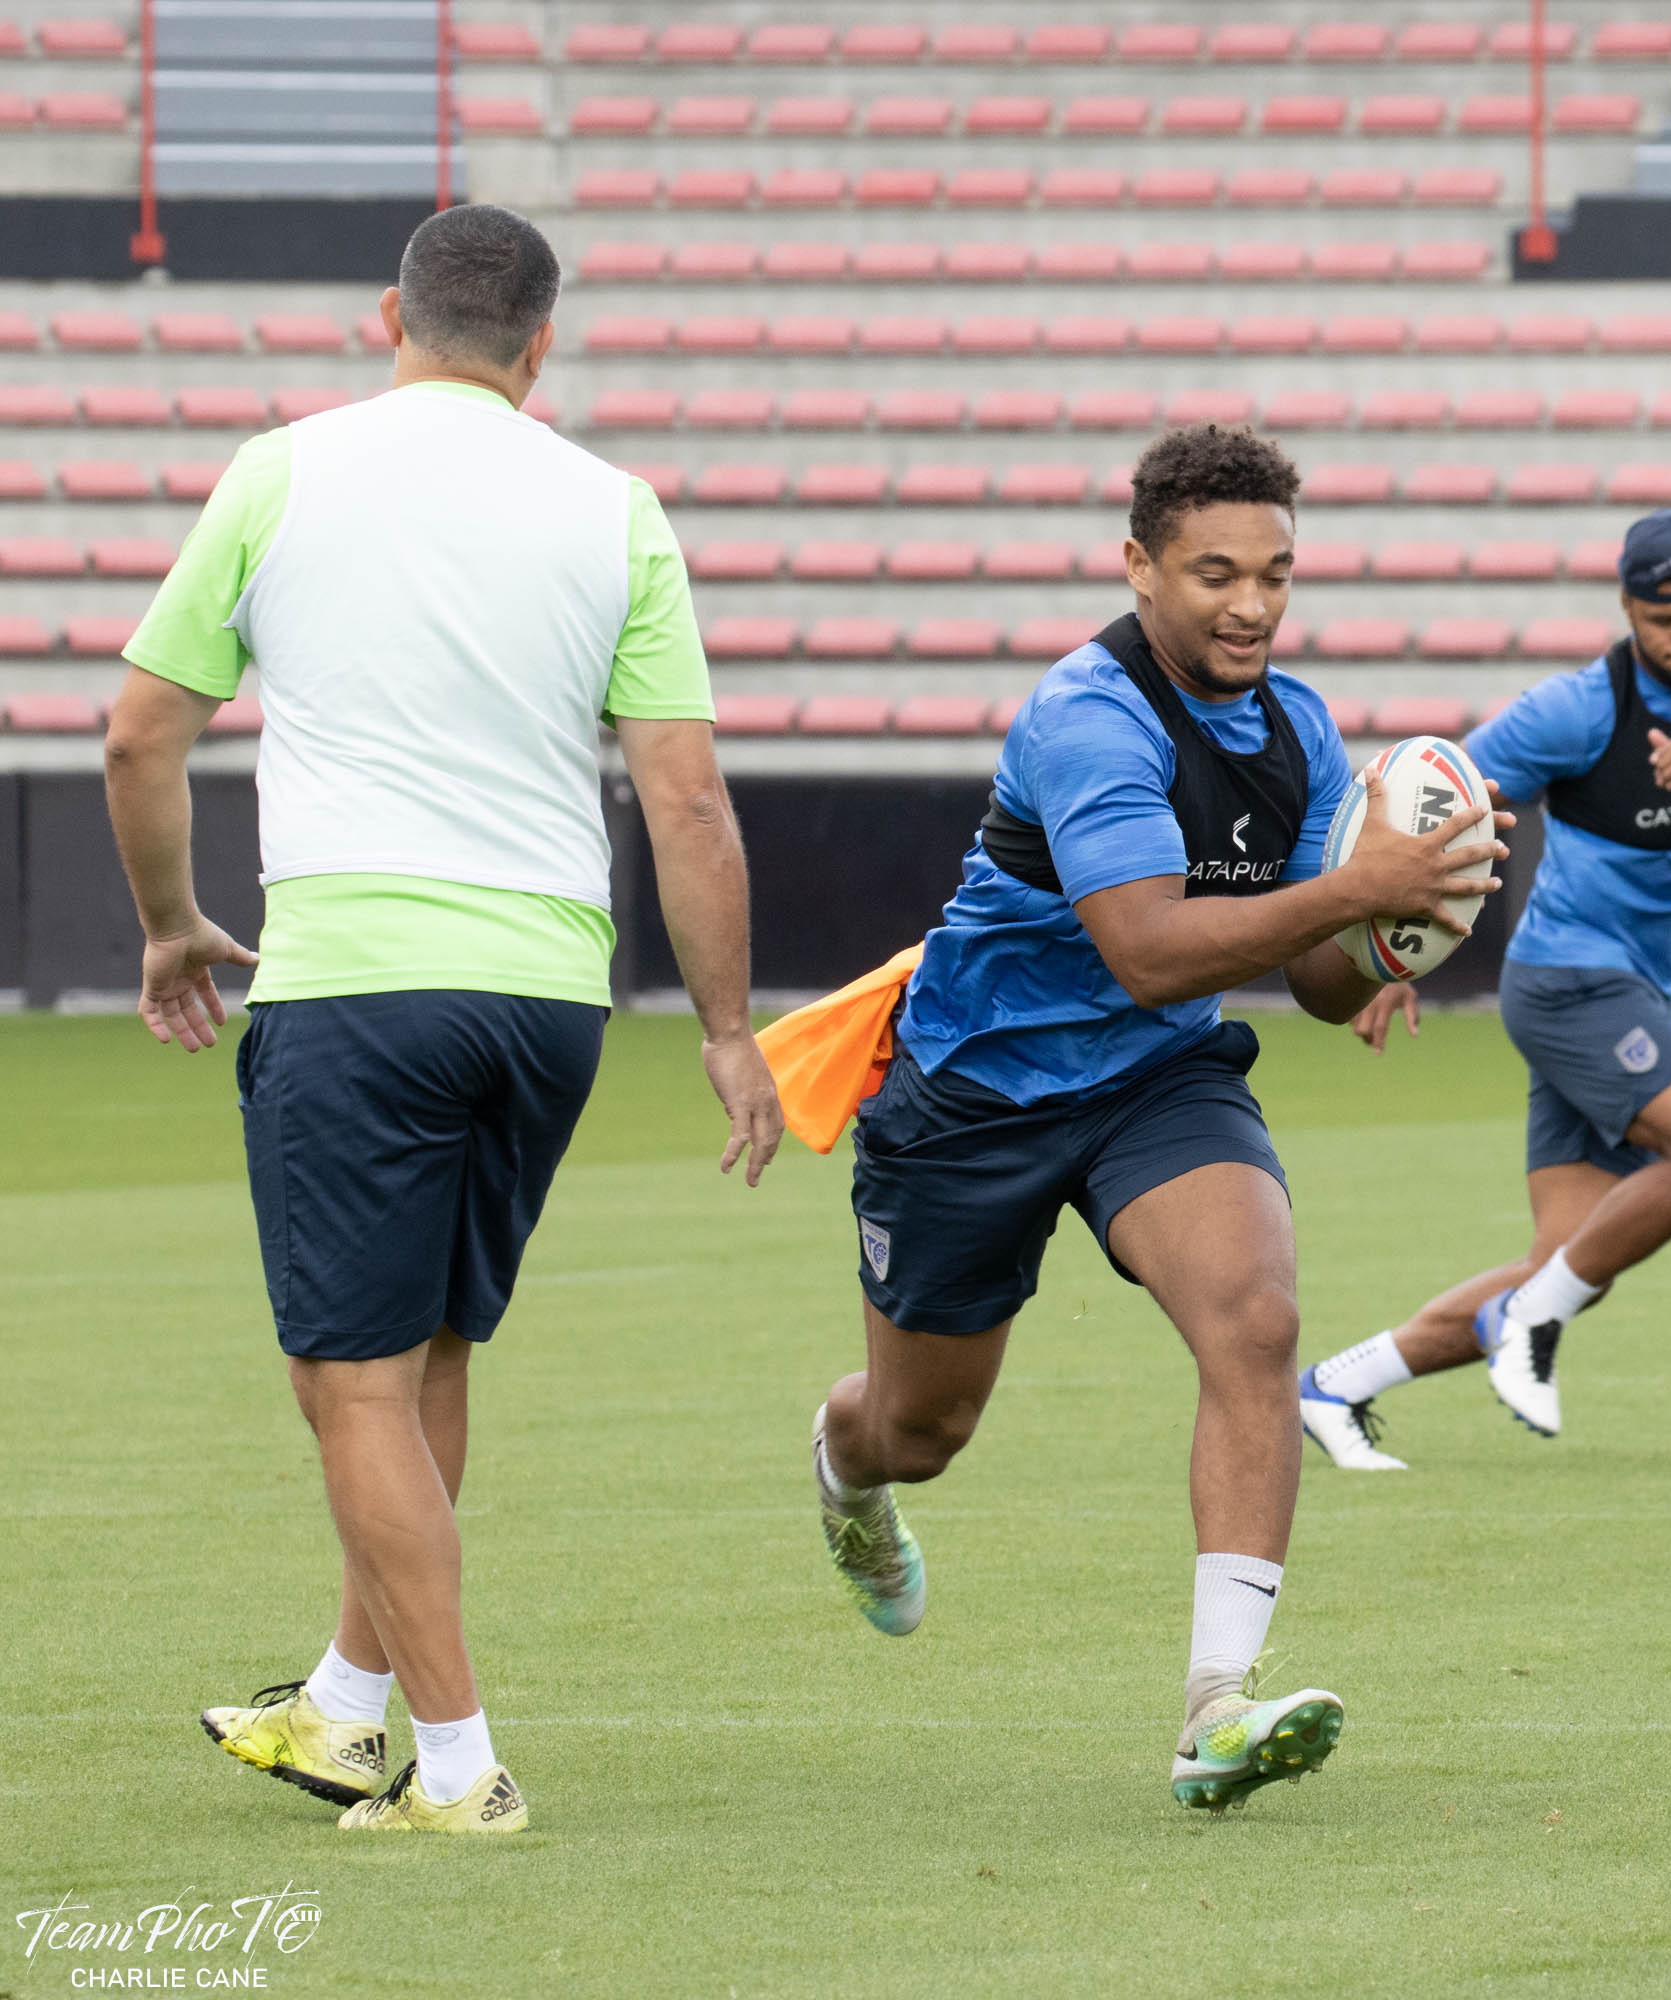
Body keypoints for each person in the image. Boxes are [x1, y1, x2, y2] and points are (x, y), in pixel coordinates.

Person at [102, 204, 782, 1833]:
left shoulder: (283, 471)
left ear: (385, 320)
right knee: (422, 1359)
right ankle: (345, 1708)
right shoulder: (616, 509)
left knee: (349, 1385)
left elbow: (138, 738)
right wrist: (726, 1029)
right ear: (541, 346)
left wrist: (170, 926)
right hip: (548, 995)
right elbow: (688, 802)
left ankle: (460, 1767)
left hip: (358, 984)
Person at [800, 426, 1511, 1811]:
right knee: (920, 1432)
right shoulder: (1089, 716)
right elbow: (1147, 948)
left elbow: (1313, 984)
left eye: (1275, 574)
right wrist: (1354, 893)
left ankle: (1215, 1707)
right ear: (1139, 566)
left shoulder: (1299, 730)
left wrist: (1404, 929)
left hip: (1155, 1080)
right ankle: (843, 1463)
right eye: (1214, 574)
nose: (1251, 605)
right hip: (975, 1094)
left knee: (1256, 1318)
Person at [1300, 509, 1671, 1471]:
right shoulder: (1577, 710)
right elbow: (1441, 806)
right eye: (1666, 620)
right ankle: (1528, 1322)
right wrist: (1389, 950)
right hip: (1567, 981)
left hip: (1635, 994)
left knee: (1568, 1261)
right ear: (1628, 609)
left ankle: (1336, 1385)